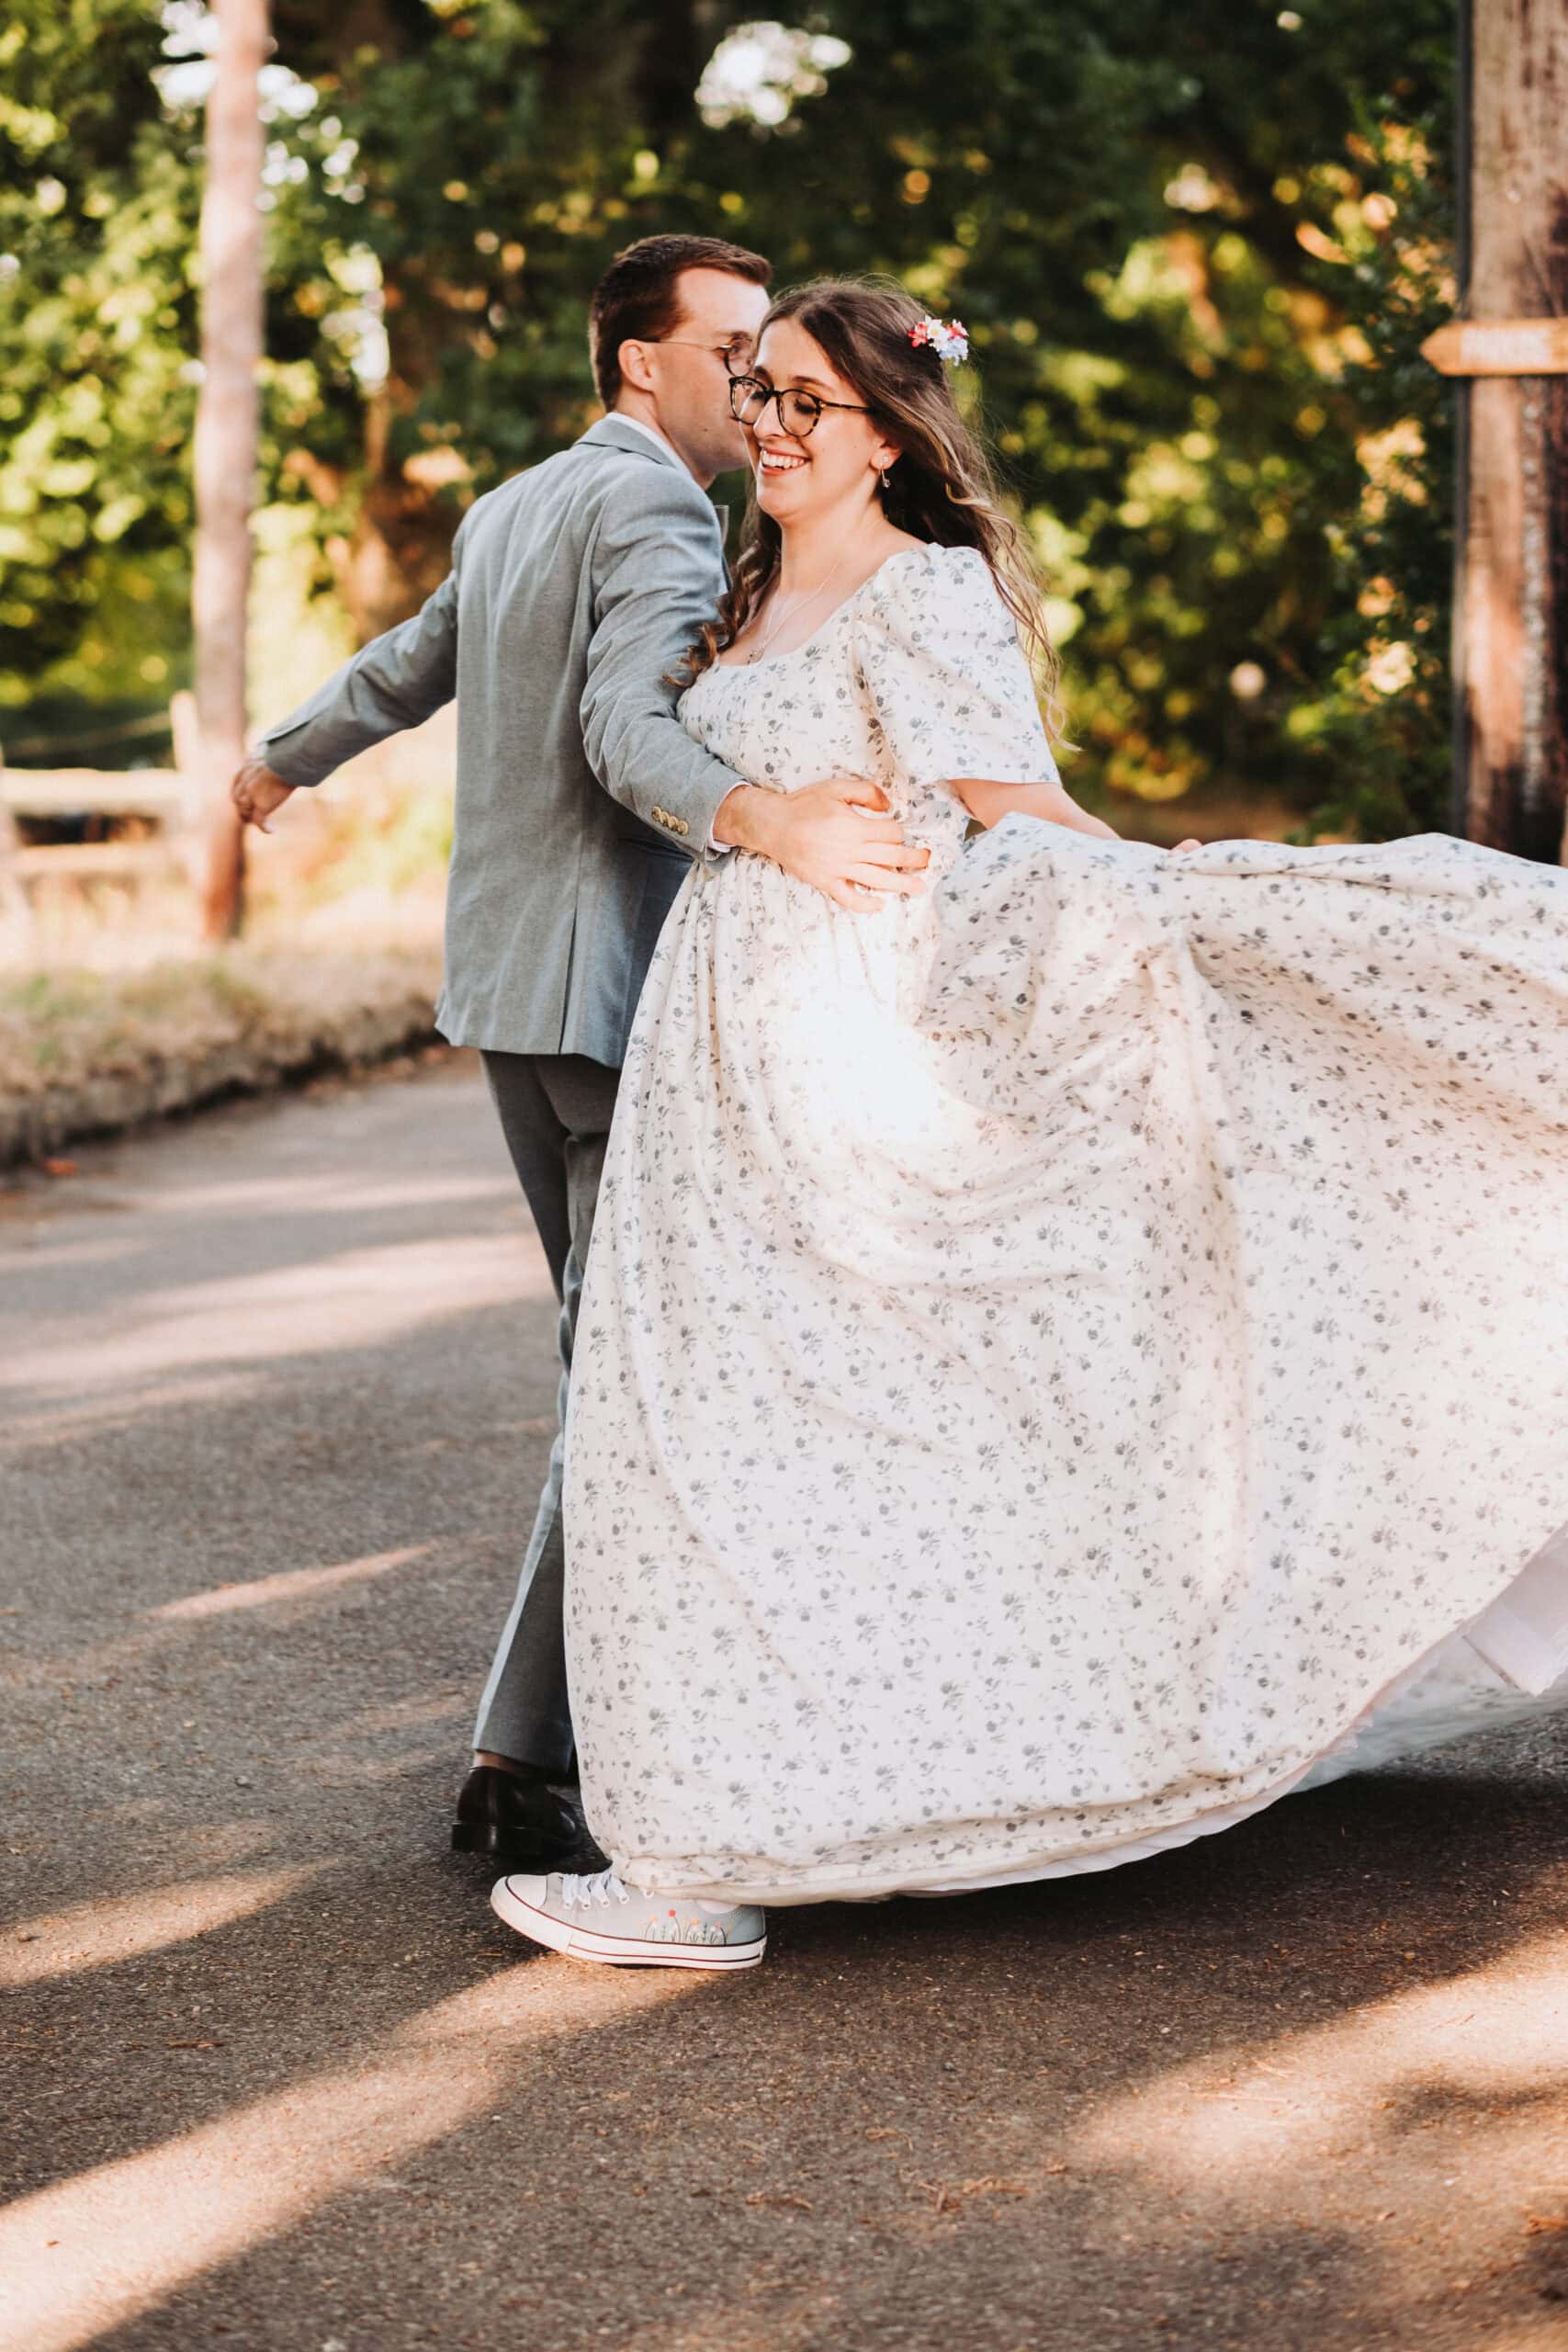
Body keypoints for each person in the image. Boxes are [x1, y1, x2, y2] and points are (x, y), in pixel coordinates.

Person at [489, 277, 1568, 1974]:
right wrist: (766, 822)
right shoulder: (754, 579)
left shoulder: (928, 596)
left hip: (855, 1038)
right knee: (701, 1436)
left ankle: (720, 1849)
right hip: (730, 1054)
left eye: (803, 406)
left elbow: (1015, 819)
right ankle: (715, 1833)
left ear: (888, 433)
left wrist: (1186, 898)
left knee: (813, 1430)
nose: (764, 427)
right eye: (754, 391)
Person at [230, 237, 933, 1874]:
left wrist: (283, 763)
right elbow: (630, 733)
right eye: (738, 349)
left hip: (504, 994)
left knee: (609, 1370)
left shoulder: (514, 502)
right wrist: (760, 816)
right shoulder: (657, 509)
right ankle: (529, 1752)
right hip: (613, 998)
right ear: (640, 362)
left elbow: (407, 666)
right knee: (635, 1382)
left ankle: (544, 1736)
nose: (761, 383)